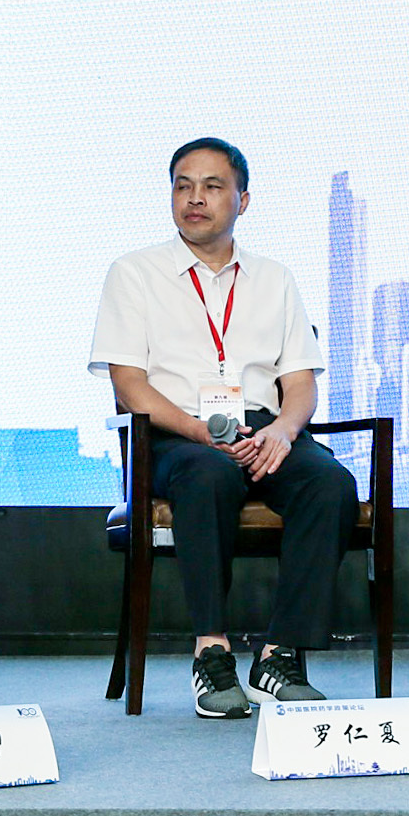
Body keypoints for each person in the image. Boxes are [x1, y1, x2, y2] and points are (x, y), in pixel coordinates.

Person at [89, 137, 356, 719]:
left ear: (243, 200)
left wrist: (283, 431)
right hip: (172, 433)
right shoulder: (134, 273)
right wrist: (195, 430)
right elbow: (129, 385)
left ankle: (279, 655)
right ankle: (211, 651)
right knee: (208, 474)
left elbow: (300, 383)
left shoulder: (273, 278)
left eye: (212, 187)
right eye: (183, 186)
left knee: (329, 483)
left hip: (262, 428)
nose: (195, 199)